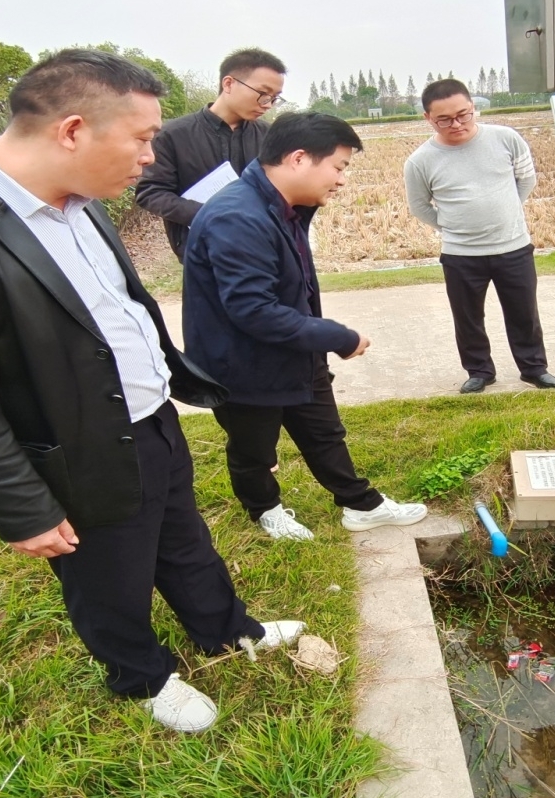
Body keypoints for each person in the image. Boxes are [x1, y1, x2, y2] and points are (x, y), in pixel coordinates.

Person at [0, 49, 305, 735]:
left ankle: (224, 629)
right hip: (74, 446)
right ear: (72, 130)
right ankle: (142, 674)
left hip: (148, 416)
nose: (151, 159)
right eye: (142, 138)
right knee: (109, 574)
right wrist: (19, 509)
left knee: (184, 540)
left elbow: (117, 306)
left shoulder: (83, 200)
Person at [181, 112, 428, 541]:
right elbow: (253, 309)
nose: (342, 180)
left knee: (324, 432)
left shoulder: (283, 205)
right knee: (253, 447)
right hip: (244, 363)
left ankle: (360, 504)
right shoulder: (238, 217)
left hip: (294, 348)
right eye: (338, 166)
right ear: (298, 159)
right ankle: (265, 509)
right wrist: (339, 337)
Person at [403, 79, 555, 394]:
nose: (457, 124)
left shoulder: (505, 139)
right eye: (444, 119)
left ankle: (533, 368)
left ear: (473, 107)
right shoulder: (420, 161)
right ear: (427, 118)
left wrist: (506, 213)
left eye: (464, 114)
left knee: (523, 312)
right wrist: (452, 226)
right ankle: (479, 371)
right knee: (468, 318)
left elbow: (526, 179)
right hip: (460, 254)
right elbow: (419, 206)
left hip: (514, 247)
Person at [134, 47, 286, 262]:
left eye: (275, 98)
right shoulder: (173, 135)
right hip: (200, 249)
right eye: (262, 94)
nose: (268, 105)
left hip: (260, 246)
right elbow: (151, 193)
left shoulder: (269, 136)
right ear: (229, 83)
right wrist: (211, 214)